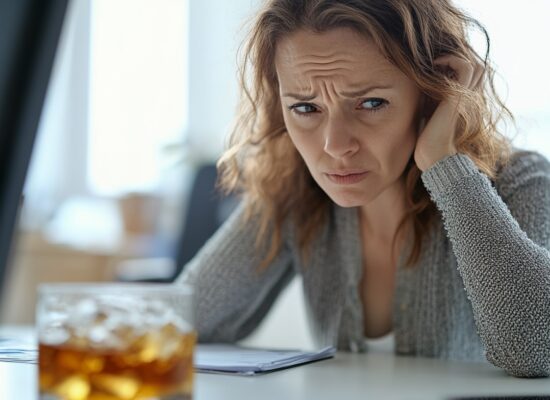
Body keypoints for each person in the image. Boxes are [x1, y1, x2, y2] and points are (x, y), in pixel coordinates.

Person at [177, 0, 550, 378]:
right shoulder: (294, 190)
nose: (334, 146)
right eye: (306, 108)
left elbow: (537, 348)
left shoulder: (520, 180)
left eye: (371, 103)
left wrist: (444, 164)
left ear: (432, 93)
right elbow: (182, 320)